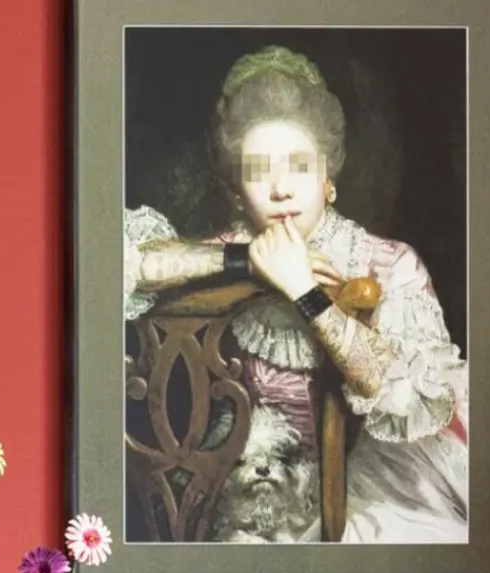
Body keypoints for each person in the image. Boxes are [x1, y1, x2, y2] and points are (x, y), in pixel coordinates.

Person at [124, 45, 468, 544]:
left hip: (371, 487)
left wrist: (304, 289)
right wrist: (245, 260)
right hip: (256, 487)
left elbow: (402, 389)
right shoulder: (233, 247)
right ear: (236, 189)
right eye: (258, 171)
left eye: (299, 166)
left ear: (328, 179)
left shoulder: (387, 262)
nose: (281, 188)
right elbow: (125, 263)